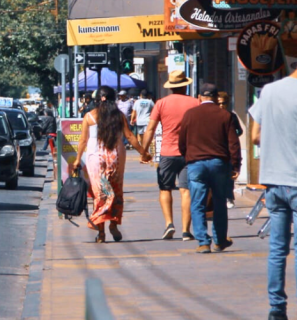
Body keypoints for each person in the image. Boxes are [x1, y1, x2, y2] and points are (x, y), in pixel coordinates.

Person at [249, 58, 297, 320]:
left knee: (277, 248)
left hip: (273, 181)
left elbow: (255, 136)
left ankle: (276, 308)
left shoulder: (269, 90)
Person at [72, 86, 151, 243]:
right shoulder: (119, 116)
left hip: (95, 157)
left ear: (98, 99)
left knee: (100, 192)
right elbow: (129, 136)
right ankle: (113, 223)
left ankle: (100, 232)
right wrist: (143, 152)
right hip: (116, 156)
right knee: (116, 189)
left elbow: (83, 141)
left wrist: (77, 159)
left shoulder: (89, 116)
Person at [178, 83, 241, 254]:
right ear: (214, 97)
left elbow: (182, 142)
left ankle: (203, 242)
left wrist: (189, 157)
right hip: (219, 164)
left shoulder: (189, 114)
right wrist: (236, 164)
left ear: (199, 97)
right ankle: (220, 241)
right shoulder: (225, 115)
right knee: (219, 202)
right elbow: (233, 143)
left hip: (196, 164)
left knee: (198, 203)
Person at [141, 70, 200, 241]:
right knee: (186, 191)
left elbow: (150, 129)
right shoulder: (196, 103)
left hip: (167, 153)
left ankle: (169, 224)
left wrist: (144, 152)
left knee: (165, 189)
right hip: (189, 154)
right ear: (185, 85)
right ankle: (186, 231)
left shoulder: (161, 103)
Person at [218, 91, 243, 209]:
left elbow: (240, 130)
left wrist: (234, 135)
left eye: (224, 103)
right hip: (217, 150)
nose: (221, 106)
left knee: (229, 175)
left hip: (229, 150)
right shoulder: (214, 117)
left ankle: (229, 196)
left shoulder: (232, 116)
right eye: (219, 104)